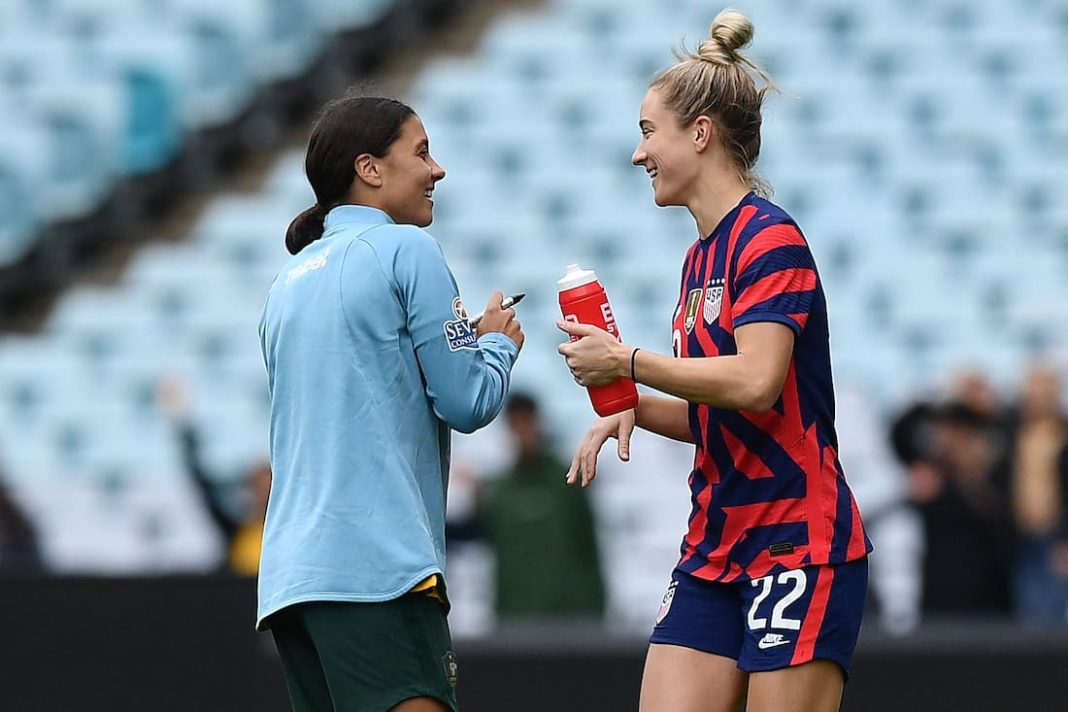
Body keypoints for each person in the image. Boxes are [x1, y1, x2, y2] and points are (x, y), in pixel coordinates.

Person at [556, 11, 871, 712]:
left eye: (647, 133)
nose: (638, 155)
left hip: (797, 541)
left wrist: (630, 362)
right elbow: (720, 413)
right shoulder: (699, 260)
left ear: (699, 133)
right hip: (716, 543)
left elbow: (757, 382)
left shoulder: (770, 238)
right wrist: (634, 406)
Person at [257, 94, 524, 712]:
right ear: (369, 169)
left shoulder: (286, 282)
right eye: (422, 152)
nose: (438, 170)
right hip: (376, 569)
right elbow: (467, 400)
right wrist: (496, 347)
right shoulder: (409, 250)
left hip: (291, 580)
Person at [481, 392, 605, 621]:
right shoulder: (499, 490)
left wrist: (597, 610)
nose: (523, 433)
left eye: (527, 423)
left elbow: (589, 545)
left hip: (569, 618)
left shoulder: (568, 479)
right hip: (514, 617)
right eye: (516, 425)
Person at [158, 377, 269, 576]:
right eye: (258, 485)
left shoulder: (289, 531)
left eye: (269, 484)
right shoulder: (236, 529)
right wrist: (183, 428)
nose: (263, 492)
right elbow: (202, 484)